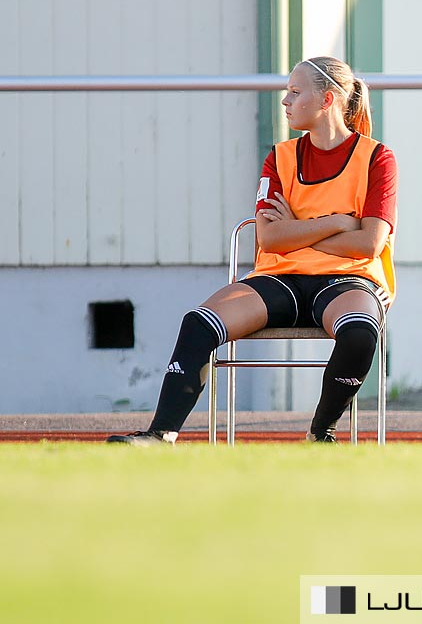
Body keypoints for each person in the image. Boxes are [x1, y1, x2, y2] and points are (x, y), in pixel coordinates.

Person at [108, 57, 396, 444]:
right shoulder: (279, 157)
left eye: (295, 91)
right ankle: (159, 436)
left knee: (360, 333)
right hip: (281, 278)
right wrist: (336, 222)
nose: (285, 100)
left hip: (349, 280)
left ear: (327, 100)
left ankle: (319, 435)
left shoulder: (378, 158)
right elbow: (270, 240)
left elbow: (369, 243)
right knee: (198, 322)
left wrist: (298, 227)